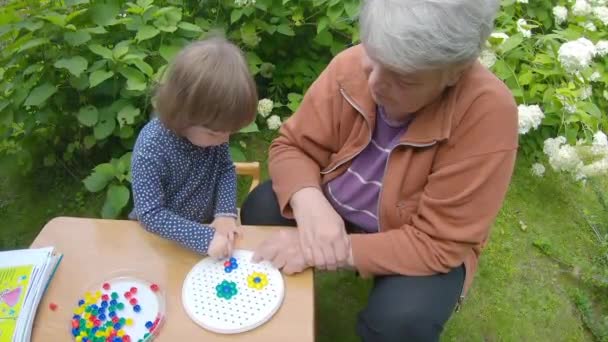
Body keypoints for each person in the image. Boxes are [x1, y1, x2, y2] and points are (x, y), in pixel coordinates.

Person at [240, 0, 518, 341]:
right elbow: (292, 147)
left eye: (403, 78)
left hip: (416, 237)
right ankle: (270, 319)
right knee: (261, 210)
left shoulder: (488, 115)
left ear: (454, 72)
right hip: (338, 199)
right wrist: (310, 202)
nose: (375, 84)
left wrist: (334, 250)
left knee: (402, 321)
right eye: (373, 59)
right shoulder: (350, 66)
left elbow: (439, 244)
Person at [130, 37, 257, 260]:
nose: (224, 139)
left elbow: (226, 169)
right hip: (162, 241)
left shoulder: (214, 131)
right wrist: (203, 238)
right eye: (215, 133)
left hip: (207, 225)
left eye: (230, 132)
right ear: (182, 115)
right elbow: (149, 214)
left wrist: (225, 213)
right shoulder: (151, 147)